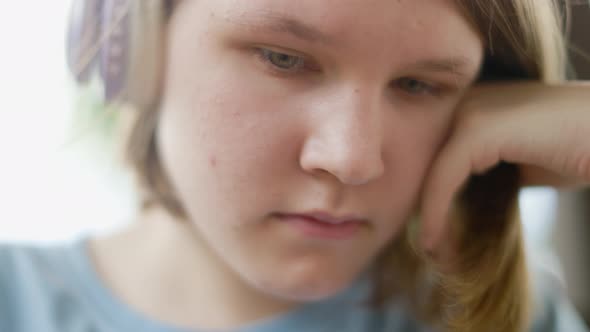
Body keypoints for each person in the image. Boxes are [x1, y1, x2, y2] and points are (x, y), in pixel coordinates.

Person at [1, 0, 589, 331]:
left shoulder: (506, 321)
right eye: (283, 58)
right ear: (128, 51)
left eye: (417, 84)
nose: (352, 160)